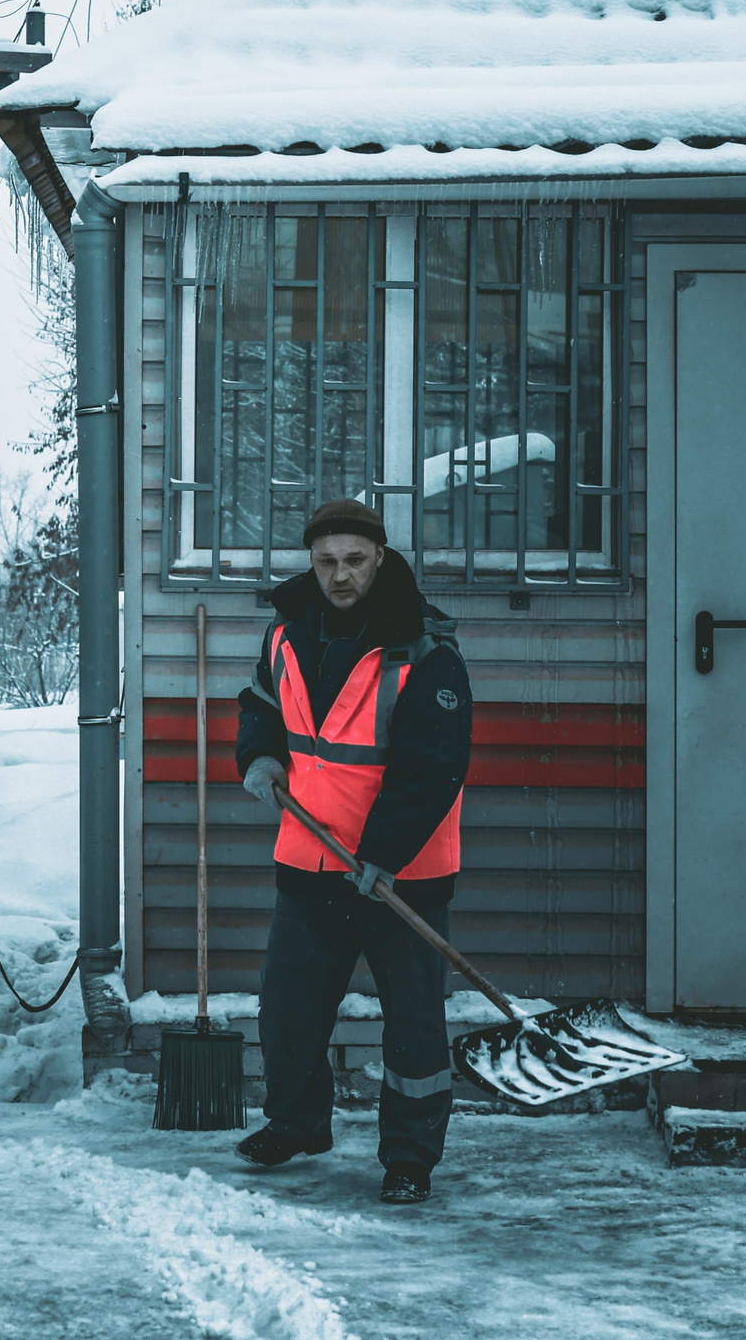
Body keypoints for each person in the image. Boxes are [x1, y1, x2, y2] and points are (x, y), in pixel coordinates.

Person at [233, 499, 473, 1207]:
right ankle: (299, 1123)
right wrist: (259, 756)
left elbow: (434, 767)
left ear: (380, 557)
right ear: (313, 560)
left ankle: (408, 1157)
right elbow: (258, 701)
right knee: (288, 1009)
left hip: (400, 874)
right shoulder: (287, 632)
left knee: (414, 1026)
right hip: (310, 859)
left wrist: (384, 852)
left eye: (355, 560)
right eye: (327, 560)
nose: (340, 575)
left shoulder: (425, 651)